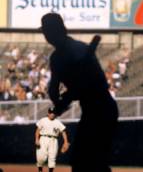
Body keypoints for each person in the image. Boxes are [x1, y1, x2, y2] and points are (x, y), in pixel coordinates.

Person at [41, 13, 118, 172]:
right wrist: (59, 101)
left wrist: (67, 97)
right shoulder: (61, 56)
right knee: (86, 162)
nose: (47, 35)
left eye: (48, 30)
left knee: (88, 162)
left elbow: (93, 84)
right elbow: (54, 88)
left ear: (59, 30)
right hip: (93, 110)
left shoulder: (77, 51)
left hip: (102, 109)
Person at [35, 107, 69, 172]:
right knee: (41, 157)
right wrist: (36, 139)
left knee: (52, 157)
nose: (52, 114)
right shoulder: (43, 120)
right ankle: (40, 170)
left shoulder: (58, 122)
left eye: (53, 113)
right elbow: (37, 130)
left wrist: (65, 142)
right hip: (43, 138)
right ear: (48, 113)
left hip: (54, 140)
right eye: (50, 112)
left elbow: (63, 132)